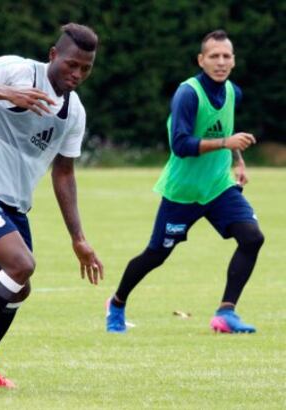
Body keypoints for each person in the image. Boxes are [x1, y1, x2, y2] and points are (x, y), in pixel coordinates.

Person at [0, 23, 103, 392]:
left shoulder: (73, 112)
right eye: (71, 64)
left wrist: (78, 238)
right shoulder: (18, 70)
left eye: (86, 68)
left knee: (19, 287)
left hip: (14, 207)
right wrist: (5, 92)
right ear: (52, 55)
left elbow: (64, 173)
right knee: (21, 265)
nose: (77, 74)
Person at [106, 30, 264, 334]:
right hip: (183, 192)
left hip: (218, 187)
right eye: (213, 56)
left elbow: (224, 130)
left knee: (252, 238)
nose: (220, 62)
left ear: (233, 60)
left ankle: (226, 313)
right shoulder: (187, 94)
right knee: (156, 255)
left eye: (226, 56)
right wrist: (226, 143)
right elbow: (181, 144)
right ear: (201, 60)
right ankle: (116, 303)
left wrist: (238, 161)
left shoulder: (234, 92)